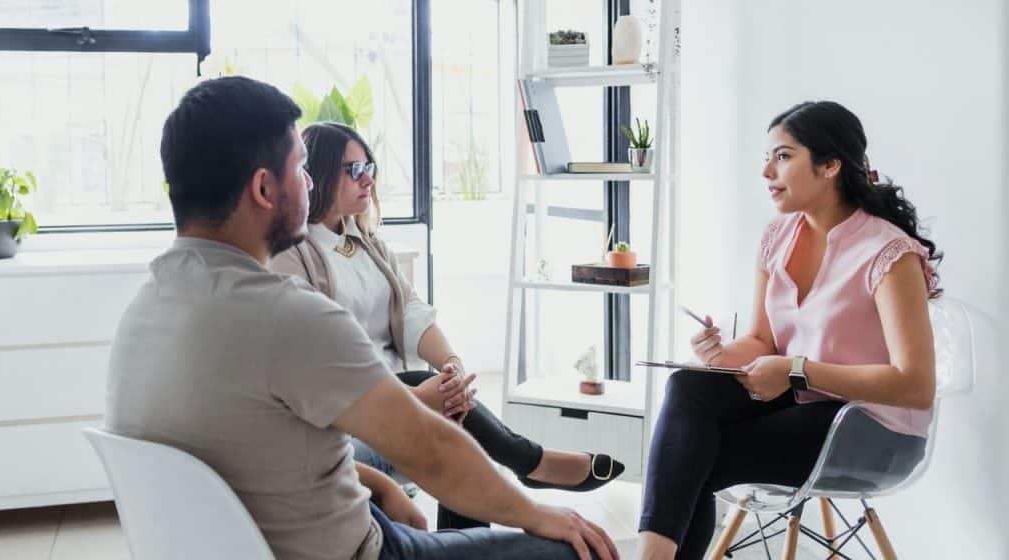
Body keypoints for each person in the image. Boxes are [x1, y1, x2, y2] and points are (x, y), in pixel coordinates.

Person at [105, 75, 618, 560]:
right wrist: (537, 515)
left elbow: (263, 452)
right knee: (574, 546)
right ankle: (539, 477)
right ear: (265, 190)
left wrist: (380, 484)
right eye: (302, 168)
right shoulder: (287, 314)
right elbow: (432, 451)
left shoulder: (143, 310)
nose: (309, 183)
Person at [269, 122, 625, 529]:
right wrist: (415, 399)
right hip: (353, 409)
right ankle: (529, 461)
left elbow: (413, 314)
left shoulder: (369, 244)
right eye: (353, 170)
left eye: (369, 166)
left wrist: (452, 365)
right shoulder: (293, 255)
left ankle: (503, 492)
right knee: (446, 408)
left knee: (452, 404)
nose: (367, 178)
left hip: (395, 391)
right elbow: (318, 367)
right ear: (318, 175)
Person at [637, 101, 942, 560]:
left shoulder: (889, 253)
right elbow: (764, 342)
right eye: (768, 157)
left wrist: (797, 370)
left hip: (870, 426)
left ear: (830, 166)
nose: (766, 171)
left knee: (693, 458)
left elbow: (915, 385)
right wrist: (720, 353)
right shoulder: (776, 237)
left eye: (782, 156)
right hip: (800, 402)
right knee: (689, 386)